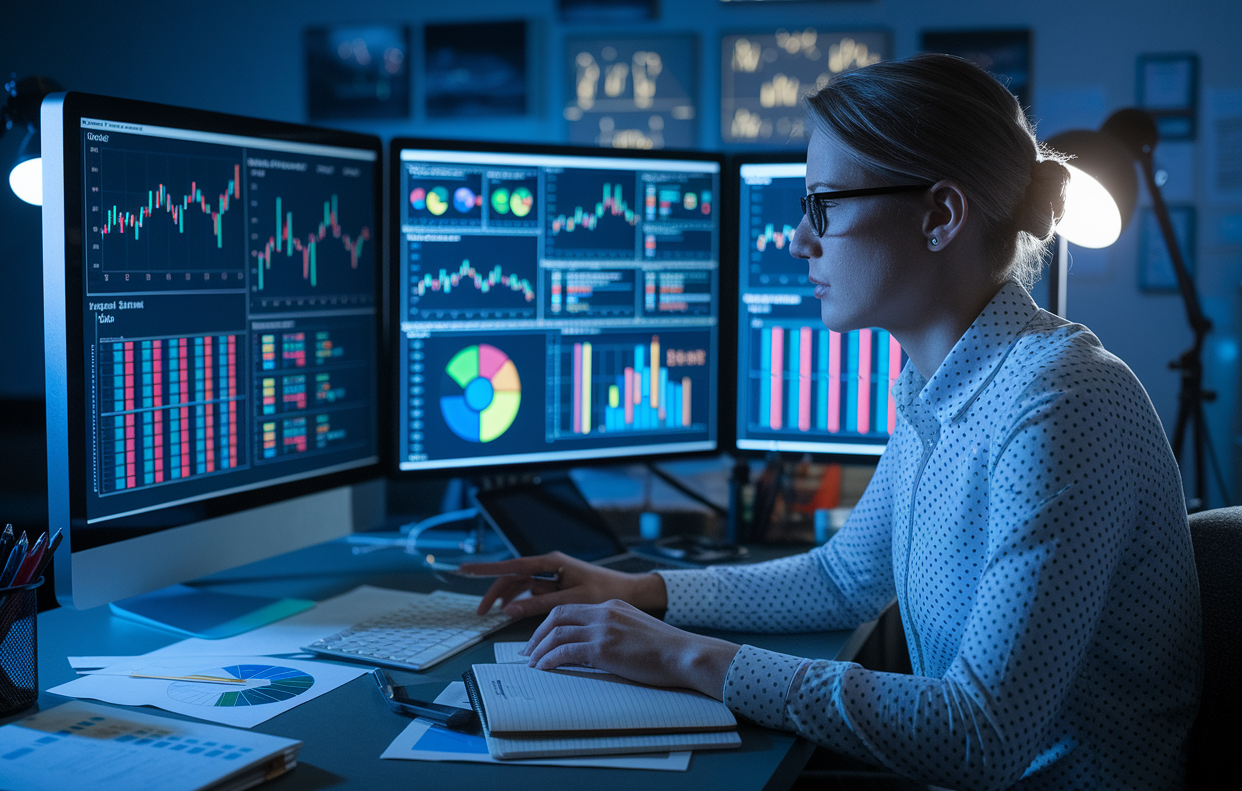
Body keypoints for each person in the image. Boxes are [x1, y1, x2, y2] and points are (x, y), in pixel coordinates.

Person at [463, 54, 1202, 790]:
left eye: (824, 204)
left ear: (940, 215)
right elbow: (845, 579)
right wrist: (643, 592)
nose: (798, 240)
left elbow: (980, 738)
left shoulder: (1060, 404)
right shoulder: (937, 385)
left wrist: (683, 655)